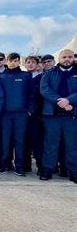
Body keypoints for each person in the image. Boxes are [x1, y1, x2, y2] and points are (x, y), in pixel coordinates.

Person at [40, 49, 77, 183]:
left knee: (72, 145)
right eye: (64, 57)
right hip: (52, 115)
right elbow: (44, 90)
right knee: (50, 144)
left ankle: (74, 172)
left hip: (72, 115)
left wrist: (69, 100)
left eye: (69, 57)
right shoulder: (49, 73)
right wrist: (59, 101)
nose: (67, 59)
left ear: (73, 58)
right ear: (59, 59)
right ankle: (47, 171)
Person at [0, 52, 35, 176]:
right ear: (6, 62)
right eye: (11, 60)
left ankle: (19, 167)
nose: (13, 63)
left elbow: (32, 94)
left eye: (16, 60)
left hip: (21, 114)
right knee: (4, 141)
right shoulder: (1, 76)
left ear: (19, 62)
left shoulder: (26, 76)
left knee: (20, 141)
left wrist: (29, 111)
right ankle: (4, 165)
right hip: (5, 115)